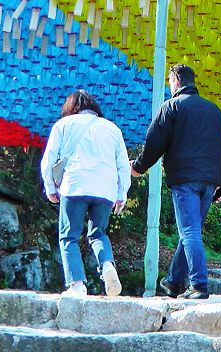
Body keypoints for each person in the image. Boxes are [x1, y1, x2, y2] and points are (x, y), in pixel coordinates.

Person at [131, 63, 221, 300]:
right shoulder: (214, 110)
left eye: (169, 81)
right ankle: (174, 282)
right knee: (191, 230)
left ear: (175, 81)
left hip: (185, 178)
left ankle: (199, 285)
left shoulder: (172, 107)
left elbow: (154, 142)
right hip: (209, 180)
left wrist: (138, 167)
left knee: (189, 231)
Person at [40, 89, 130, 297]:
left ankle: (77, 285)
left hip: (75, 186)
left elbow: (49, 160)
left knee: (69, 237)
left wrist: (50, 188)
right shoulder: (112, 129)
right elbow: (123, 165)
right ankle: (107, 264)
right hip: (104, 190)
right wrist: (121, 194)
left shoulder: (63, 125)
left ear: (70, 107)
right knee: (98, 233)